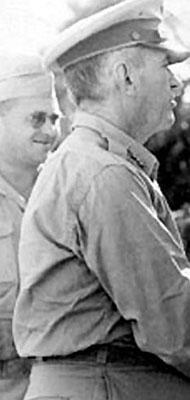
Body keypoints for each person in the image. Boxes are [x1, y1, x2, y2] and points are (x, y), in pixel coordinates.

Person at [12, 0, 190, 399]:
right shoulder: (104, 173)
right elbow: (171, 320)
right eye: (164, 66)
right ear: (125, 76)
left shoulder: (86, 163)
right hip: (106, 384)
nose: (176, 84)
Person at [0, 51, 58, 400]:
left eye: (54, 118)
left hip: (58, 383)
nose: (50, 131)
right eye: (37, 119)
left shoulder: (67, 191)